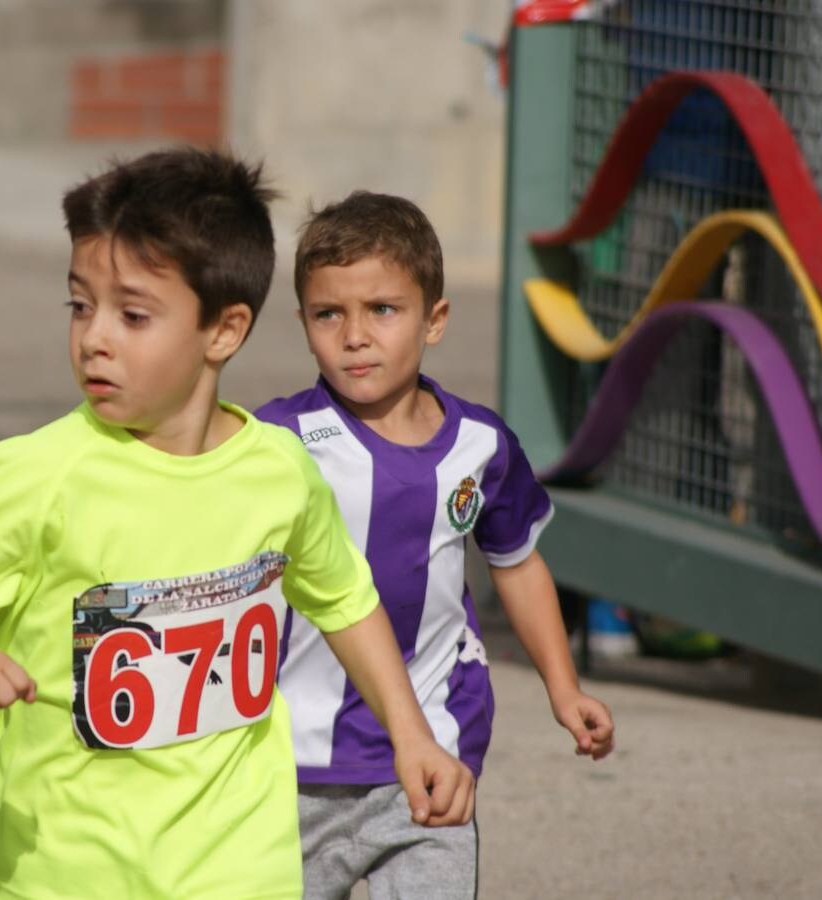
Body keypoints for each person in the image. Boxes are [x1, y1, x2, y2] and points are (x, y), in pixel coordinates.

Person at [0, 148, 476, 899]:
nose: (95, 337)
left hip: (240, 867)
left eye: (134, 314)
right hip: (67, 872)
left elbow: (345, 599)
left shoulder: (278, 470)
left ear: (224, 331)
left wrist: (411, 736)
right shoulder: (39, 473)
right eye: (80, 305)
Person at [255, 191, 616, 899]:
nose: (355, 335)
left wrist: (563, 686)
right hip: (288, 769)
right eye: (330, 314)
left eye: (383, 310)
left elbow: (516, 564)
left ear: (435, 319)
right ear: (304, 324)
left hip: (433, 757)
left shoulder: (482, 446)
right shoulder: (274, 441)